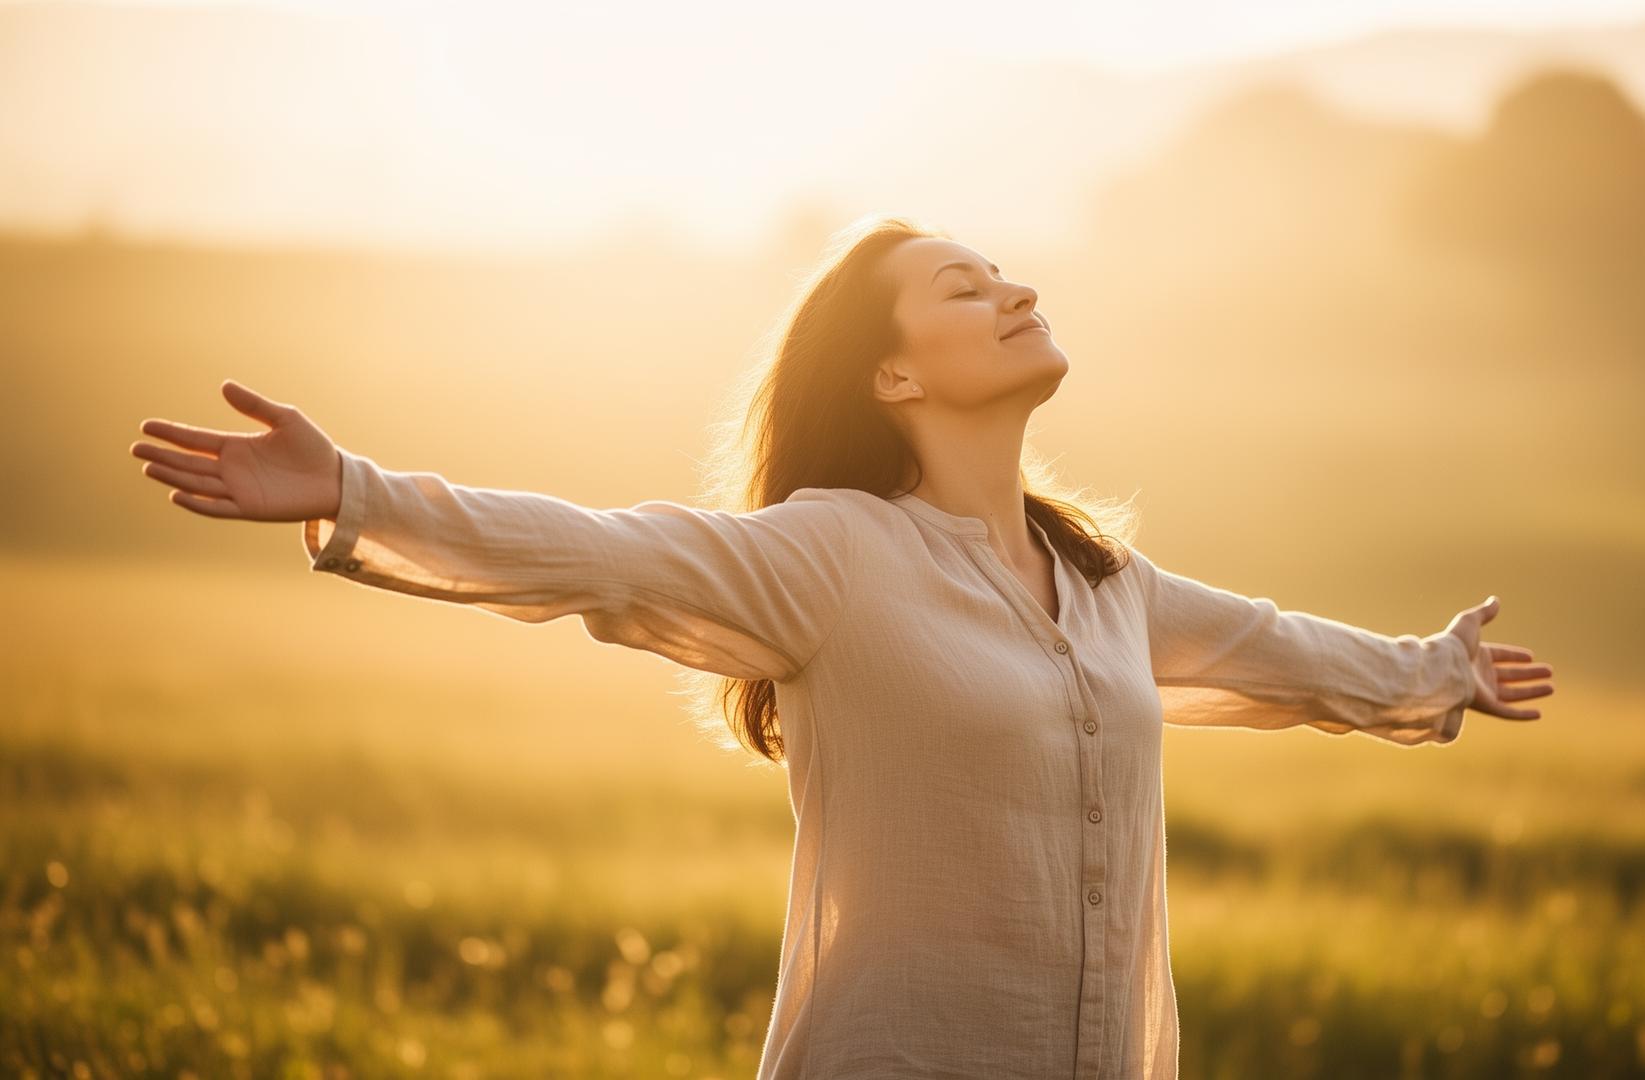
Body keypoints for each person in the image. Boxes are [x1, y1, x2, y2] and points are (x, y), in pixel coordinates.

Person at [128, 213, 1554, 1079]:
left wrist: (1439, 672)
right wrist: (353, 492)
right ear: (893, 374)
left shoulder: (1107, 584)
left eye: (1005, 271)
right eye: (961, 287)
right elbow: (600, 551)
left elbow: (1281, 655)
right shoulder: (834, 555)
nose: (1009, 289)